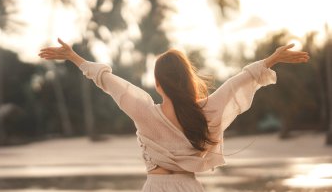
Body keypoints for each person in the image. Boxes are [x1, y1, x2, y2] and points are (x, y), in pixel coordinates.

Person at [39, 38, 309, 192]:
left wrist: (74, 57)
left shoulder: (143, 110)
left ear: (158, 84)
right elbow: (239, 81)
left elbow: (105, 79)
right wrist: (271, 59)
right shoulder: (206, 110)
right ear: (187, 80)